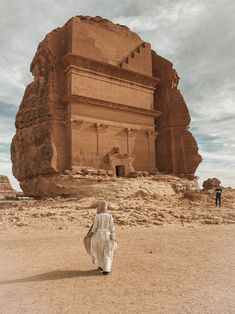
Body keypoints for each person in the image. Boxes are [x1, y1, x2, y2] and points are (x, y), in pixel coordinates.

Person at [84, 201, 117, 275]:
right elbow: (112, 228)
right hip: (107, 235)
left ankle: (102, 266)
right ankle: (107, 269)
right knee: (107, 252)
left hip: (98, 236)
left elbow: (94, 228)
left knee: (99, 251)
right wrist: (113, 237)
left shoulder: (97, 216)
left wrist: (89, 235)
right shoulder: (109, 216)